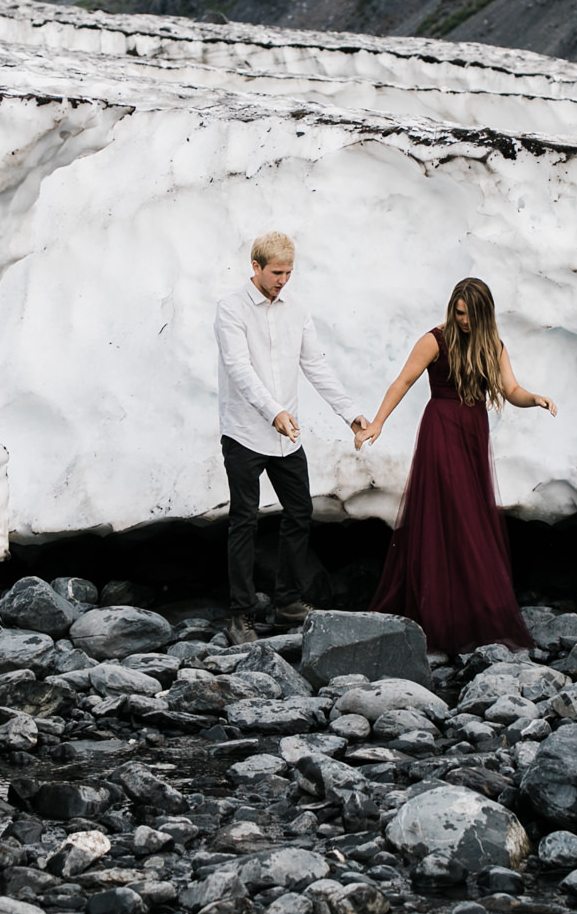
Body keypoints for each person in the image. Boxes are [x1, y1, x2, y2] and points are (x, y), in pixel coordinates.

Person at [356, 276, 553, 654]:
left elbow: (511, 390)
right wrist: (378, 422)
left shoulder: (492, 344)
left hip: (473, 432)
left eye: (470, 315)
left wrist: (535, 399)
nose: (463, 320)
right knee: (449, 514)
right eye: (459, 312)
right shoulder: (435, 339)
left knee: (472, 517)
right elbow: (403, 381)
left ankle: (468, 609)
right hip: (442, 429)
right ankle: (439, 614)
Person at [216, 230, 369, 645]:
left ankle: (286, 603)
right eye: (276, 272)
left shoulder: (297, 310)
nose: (283, 280)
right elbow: (238, 368)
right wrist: (274, 412)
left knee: (299, 512)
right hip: (245, 431)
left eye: (289, 272)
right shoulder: (230, 309)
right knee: (244, 521)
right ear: (256, 267)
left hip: (288, 435)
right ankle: (240, 615)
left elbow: (315, 365)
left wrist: (350, 414)